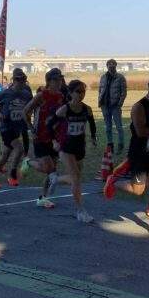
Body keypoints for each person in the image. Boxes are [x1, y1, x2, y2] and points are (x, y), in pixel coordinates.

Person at [102, 74, 149, 235]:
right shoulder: (138, 107)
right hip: (139, 154)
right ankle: (113, 181)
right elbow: (141, 132)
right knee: (138, 190)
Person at [51, 79, 97, 222]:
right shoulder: (64, 109)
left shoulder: (87, 109)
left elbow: (92, 123)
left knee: (75, 178)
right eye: (78, 91)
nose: (81, 94)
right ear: (70, 93)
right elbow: (50, 125)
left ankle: (56, 179)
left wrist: (93, 137)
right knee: (76, 178)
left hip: (79, 147)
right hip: (66, 147)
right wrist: (54, 141)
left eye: (83, 91)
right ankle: (80, 211)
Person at [23, 68, 67, 208]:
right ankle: (29, 162)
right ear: (49, 81)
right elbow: (25, 112)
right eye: (57, 80)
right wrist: (31, 129)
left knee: (52, 168)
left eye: (61, 79)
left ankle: (43, 197)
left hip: (53, 137)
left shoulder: (60, 96)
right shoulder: (41, 95)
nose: (60, 82)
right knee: (49, 169)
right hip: (40, 136)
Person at [0, 67, 33, 186]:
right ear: (13, 80)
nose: (21, 82)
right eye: (18, 80)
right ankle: (12, 174)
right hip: (6, 126)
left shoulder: (26, 94)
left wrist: (28, 116)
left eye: (23, 80)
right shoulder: (6, 93)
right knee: (19, 149)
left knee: (5, 155)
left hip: (17, 127)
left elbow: (32, 105)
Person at [97, 59, 127, 154]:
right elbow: (100, 90)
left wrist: (120, 103)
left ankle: (120, 144)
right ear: (107, 66)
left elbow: (124, 92)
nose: (111, 66)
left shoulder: (120, 77)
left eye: (113, 64)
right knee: (108, 127)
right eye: (109, 64)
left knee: (119, 126)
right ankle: (110, 145)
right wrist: (99, 101)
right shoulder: (103, 77)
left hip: (115, 106)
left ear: (115, 66)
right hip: (104, 105)